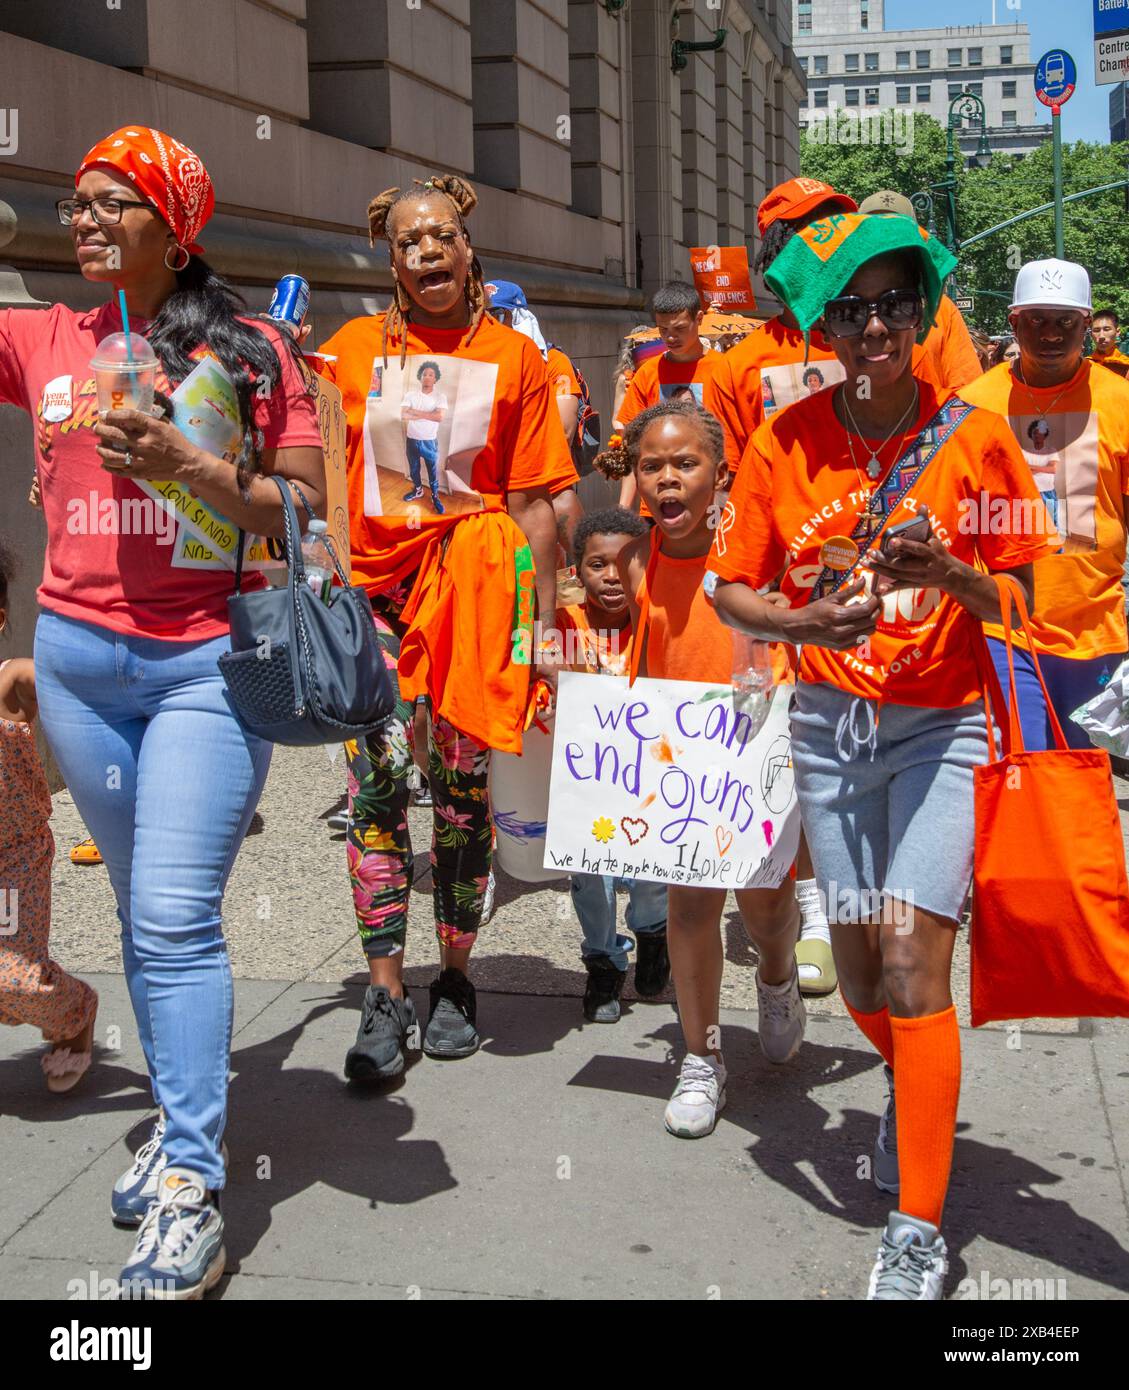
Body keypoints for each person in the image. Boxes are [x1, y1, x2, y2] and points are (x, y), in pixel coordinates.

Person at [0, 126, 326, 1297]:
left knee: (178, 914)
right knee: (142, 912)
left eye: (109, 203)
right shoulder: (41, 335)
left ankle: (191, 1181)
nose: (81, 220)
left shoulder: (253, 349)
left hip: (205, 666)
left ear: (174, 221)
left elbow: (299, 511)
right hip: (80, 666)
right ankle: (187, 1119)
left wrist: (186, 463)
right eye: (72, 203)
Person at [709, 211, 1058, 1299]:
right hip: (826, 730)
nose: (873, 325)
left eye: (893, 304)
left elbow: (1027, 597)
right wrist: (800, 626)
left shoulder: (979, 436)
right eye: (851, 309)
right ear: (826, 323)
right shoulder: (788, 440)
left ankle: (915, 1227)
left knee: (912, 960)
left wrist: (951, 575)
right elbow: (730, 583)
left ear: (923, 312)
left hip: (940, 727)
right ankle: (918, 1087)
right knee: (859, 971)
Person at [317, 175, 574, 1080]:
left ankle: (456, 980)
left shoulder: (517, 360)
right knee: (379, 793)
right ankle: (385, 994)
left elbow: (538, 505)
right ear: (390, 262)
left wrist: (543, 640)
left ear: (469, 252)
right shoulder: (346, 352)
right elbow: (315, 479)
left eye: (441, 239)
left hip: (477, 607)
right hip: (377, 610)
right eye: (408, 243)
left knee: (462, 795)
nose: (427, 252)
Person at [598, 400, 804, 1140]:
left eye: (684, 463)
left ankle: (777, 982)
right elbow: (602, 646)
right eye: (651, 465)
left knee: (765, 910)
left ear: (720, 472)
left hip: (755, 749)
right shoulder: (630, 559)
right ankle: (701, 1056)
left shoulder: (757, 548)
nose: (667, 479)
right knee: (689, 911)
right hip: (682, 764)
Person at [709, 176, 853, 995]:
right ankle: (811, 909)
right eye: (802, 235)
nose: (820, 246)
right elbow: (733, 487)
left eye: (832, 228)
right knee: (792, 752)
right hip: (781, 599)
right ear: (773, 259)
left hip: (888, 585)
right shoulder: (738, 365)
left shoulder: (908, 328)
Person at [962, 260, 1129, 750]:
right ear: (1014, 323)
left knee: (1077, 788)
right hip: (1000, 631)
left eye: (1065, 321)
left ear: (1087, 324)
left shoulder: (1120, 400)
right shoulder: (970, 404)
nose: (1051, 334)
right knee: (1021, 772)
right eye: (1037, 320)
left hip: (1094, 633)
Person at [557, 508, 669, 1021]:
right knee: (590, 880)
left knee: (651, 872)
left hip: (649, 784)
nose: (611, 575)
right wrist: (545, 676)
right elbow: (521, 665)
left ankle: (652, 933)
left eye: (625, 563)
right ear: (576, 571)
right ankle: (602, 959)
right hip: (584, 788)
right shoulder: (560, 624)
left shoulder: (661, 621)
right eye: (597, 564)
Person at [0, 541, 98, 1093]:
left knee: (10, 971)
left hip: (13, 863)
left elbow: (69, 687)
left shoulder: (11, 681)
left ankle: (75, 1013)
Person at [486, 279, 585, 559]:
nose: (489, 323)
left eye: (497, 315)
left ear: (518, 317)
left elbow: (565, 430)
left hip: (543, 472)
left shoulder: (554, 363)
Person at [858, 190, 983, 394]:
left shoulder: (943, 310)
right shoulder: (843, 308)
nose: (885, 242)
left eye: (896, 234)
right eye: (874, 232)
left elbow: (966, 391)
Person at [614, 282, 723, 513]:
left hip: (713, 502)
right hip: (658, 504)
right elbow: (634, 445)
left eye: (679, 328)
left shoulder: (724, 369)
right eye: (663, 330)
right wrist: (623, 508)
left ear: (699, 318)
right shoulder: (648, 373)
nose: (670, 337)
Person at [401, 359, 448, 512]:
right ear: (420, 377)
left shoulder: (440, 396)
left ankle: (435, 496)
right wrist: (429, 414)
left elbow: (439, 417)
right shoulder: (410, 395)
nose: (427, 376)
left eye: (431, 374)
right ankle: (418, 490)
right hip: (412, 440)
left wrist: (414, 412)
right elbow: (403, 415)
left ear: (435, 378)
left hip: (429, 442)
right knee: (414, 470)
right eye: (424, 374)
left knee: (432, 472)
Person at [1088, 307, 1129, 375]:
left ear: (1117, 332)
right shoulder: (1086, 365)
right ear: (1091, 334)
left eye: (1107, 329)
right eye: (1096, 330)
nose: (1101, 336)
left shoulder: (1125, 366)